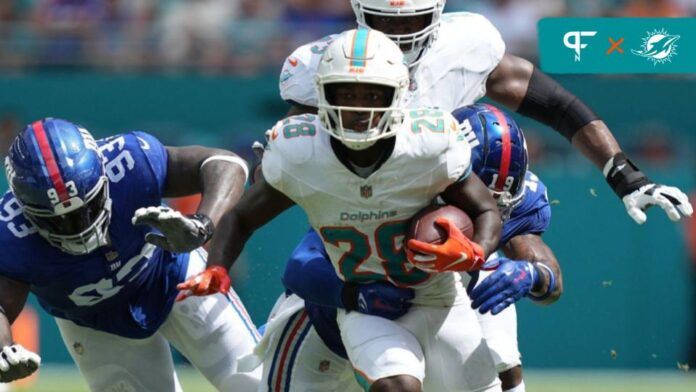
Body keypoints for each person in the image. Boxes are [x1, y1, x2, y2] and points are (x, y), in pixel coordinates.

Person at [272, 1, 693, 390]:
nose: (399, 34)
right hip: (361, 228)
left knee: (496, 345)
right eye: (386, 20)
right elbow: (297, 246)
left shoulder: (491, 183)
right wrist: (345, 292)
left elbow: (558, 106)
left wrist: (623, 177)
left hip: (441, 271)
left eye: (411, 21)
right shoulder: (335, 66)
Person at [180, 29, 504, 392]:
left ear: (397, 95)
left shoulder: (428, 144)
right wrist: (218, 266)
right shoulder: (300, 152)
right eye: (346, 93)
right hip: (367, 305)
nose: (358, 106)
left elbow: (485, 209)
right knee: (397, 387)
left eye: (372, 94)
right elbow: (241, 217)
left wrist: (476, 251)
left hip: (440, 297)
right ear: (323, 94)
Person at [255, 103, 562, 392]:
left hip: (435, 315)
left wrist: (534, 275)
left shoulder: (503, 204)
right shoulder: (400, 181)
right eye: (475, 191)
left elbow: (548, 275)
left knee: (491, 286)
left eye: (499, 201)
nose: (485, 205)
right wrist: (354, 295)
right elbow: (300, 266)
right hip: (329, 324)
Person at [0, 118, 261, 391]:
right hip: (95, 322)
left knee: (256, 385)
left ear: (104, 176)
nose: (78, 226)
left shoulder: (130, 159)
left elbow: (225, 163)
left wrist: (203, 225)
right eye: (58, 220)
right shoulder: (9, 233)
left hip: (173, 275)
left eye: (87, 207)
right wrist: (3, 350)